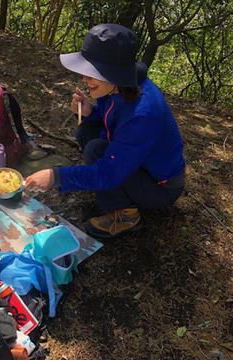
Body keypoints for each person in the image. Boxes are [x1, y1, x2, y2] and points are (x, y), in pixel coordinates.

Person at [25, 24, 185, 239]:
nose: (85, 79)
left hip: (159, 186)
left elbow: (109, 172)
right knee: (86, 132)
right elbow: (110, 114)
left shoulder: (143, 113)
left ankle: (127, 217)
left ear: (115, 72)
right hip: (135, 161)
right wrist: (90, 111)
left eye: (93, 73)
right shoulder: (119, 85)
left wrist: (55, 176)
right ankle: (113, 191)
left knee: (96, 151)